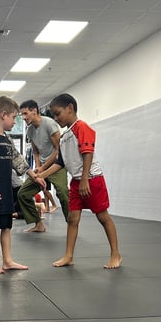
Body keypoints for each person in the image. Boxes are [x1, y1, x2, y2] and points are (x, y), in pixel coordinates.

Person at [39, 93, 122, 269]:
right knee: (72, 218)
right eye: (53, 116)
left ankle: (116, 254)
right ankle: (68, 255)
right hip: (77, 182)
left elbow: (88, 153)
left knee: (103, 217)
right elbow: (60, 163)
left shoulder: (82, 127)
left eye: (58, 114)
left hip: (92, 179)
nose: (56, 118)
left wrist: (85, 179)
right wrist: (42, 175)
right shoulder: (64, 136)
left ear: (70, 108)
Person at [0, 96, 44, 274]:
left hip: (6, 189)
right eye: (14, 117)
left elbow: (18, 160)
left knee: (7, 225)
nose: (15, 121)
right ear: (3, 115)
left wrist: (34, 176)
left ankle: (7, 261)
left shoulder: (6, 139)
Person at [16, 99, 69, 233]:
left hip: (57, 166)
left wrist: (43, 167)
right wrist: (38, 166)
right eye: (22, 115)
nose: (23, 118)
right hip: (43, 166)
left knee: (63, 193)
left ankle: (72, 225)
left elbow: (58, 150)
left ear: (34, 111)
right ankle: (38, 224)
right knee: (23, 194)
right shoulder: (30, 130)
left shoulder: (49, 124)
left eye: (25, 113)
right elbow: (35, 151)